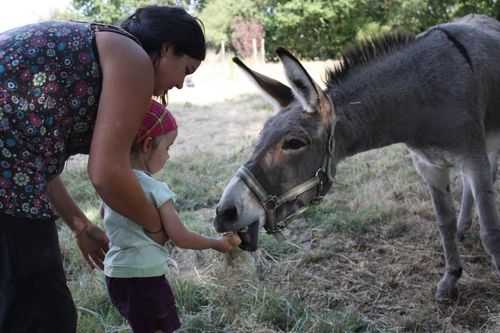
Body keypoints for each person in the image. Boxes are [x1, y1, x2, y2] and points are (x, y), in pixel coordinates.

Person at [0, 5, 213, 333]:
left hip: (12, 165)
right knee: (41, 313)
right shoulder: (133, 58)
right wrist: (155, 227)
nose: (182, 85)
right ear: (167, 49)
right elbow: (107, 173)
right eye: (186, 69)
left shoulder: (99, 49)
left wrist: (81, 226)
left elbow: (34, 162)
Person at [103, 100, 240, 333]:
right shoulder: (156, 190)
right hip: (144, 276)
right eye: (167, 147)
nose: (168, 156)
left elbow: (105, 216)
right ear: (147, 145)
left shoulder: (113, 184)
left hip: (115, 274)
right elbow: (181, 238)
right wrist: (217, 244)